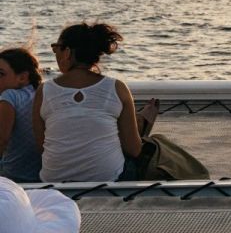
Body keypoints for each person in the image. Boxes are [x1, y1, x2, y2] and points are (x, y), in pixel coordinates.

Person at [32, 22, 157, 182]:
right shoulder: (117, 88)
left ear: (67, 52)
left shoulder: (44, 91)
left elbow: (42, 147)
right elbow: (133, 150)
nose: (55, 54)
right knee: (147, 148)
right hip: (107, 181)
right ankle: (142, 124)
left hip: (54, 180)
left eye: (56, 48)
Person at [0, 48, 43, 183]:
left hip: (15, 176)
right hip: (41, 173)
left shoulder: (10, 96)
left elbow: (2, 140)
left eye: (0, 74)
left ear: (23, 77)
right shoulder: (43, 94)